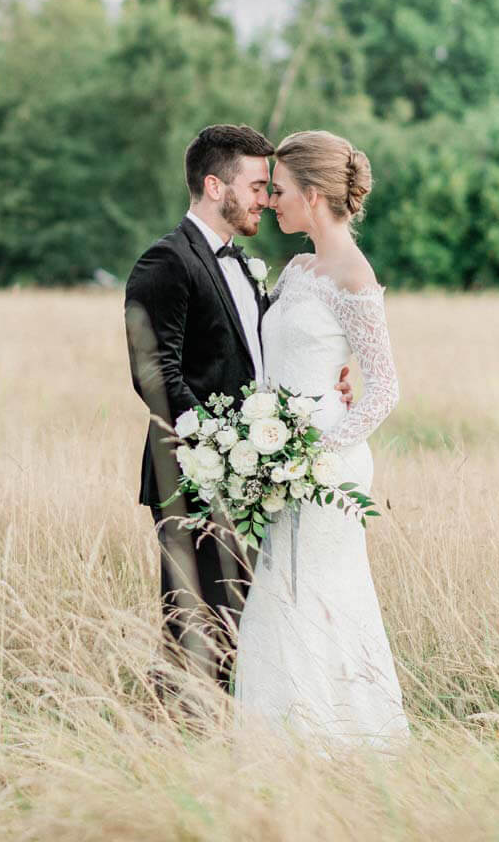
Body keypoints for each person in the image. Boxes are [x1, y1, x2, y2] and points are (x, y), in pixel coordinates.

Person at [123, 124, 350, 695]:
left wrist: (336, 371)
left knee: (240, 634)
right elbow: (155, 374)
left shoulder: (242, 264)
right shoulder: (165, 263)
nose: (264, 199)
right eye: (254, 185)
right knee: (194, 635)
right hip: (193, 480)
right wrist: (219, 448)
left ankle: (223, 751)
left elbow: (266, 349)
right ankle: (169, 749)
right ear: (214, 185)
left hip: (250, 480)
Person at [232, 130, 409, 746]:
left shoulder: (355, 277)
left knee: (316, 593)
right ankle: (281, 741)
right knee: (279, 593)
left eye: (278, 191)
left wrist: (312, 454)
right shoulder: (300, 266)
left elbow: (385, 389)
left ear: (312, 194)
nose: (271, 201)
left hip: (324, 468)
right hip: (282, 455)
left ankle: (335, 742)